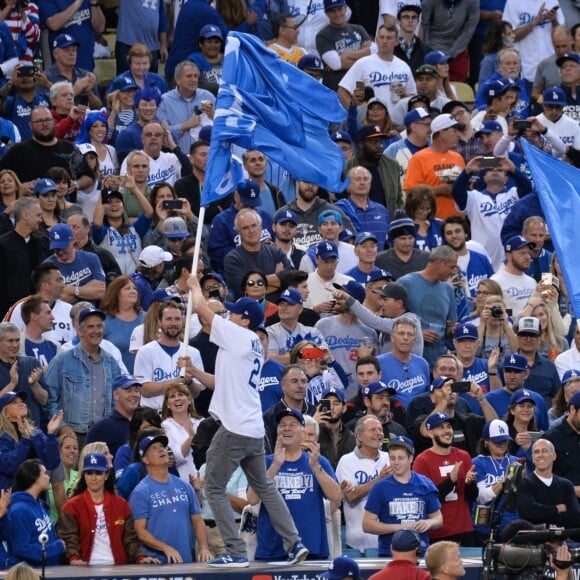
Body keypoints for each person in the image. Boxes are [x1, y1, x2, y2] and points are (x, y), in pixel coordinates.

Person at [187, 274, 310, 567]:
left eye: (233, 312)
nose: (228, 315)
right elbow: (223, 382)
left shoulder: (239, 335)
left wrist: (193, 288)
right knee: (265, 488)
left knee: (212, 487)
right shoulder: (250, 342)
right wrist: (193, 369)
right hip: (252, 428)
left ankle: (235, 551)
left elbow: (204, 311)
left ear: (244, 320)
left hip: (235, 426)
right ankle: (294, 543)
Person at [249, 408, 341, 561]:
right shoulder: (266, 462)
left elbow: (336, 496)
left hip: (311, 547)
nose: (286, 428)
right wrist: (275, 466)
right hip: (273, 549)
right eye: (282, 424)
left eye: (292, 424)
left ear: (303, 433)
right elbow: (252, 499)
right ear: (277, 431)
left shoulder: (318, 461)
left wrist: (315, 468)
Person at [59, 451, 158, 565]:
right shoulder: (71, 507)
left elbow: (130, 540)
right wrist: (74, 558)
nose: (93, 478)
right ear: (84, 475)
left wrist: (140, 557)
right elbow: (69, 539)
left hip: (118, 571)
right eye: (89, 473)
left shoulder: (121, 505)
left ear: (106, 475)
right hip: (85, 571)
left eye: (98, 473)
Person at [128, 432, 212, 564]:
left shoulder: (184, 486)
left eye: (162, 446)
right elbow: (140, 531)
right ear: (145, 459)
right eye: (154, 448)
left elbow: (198, 521)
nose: (161, 449)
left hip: (185, 561)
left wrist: (204, 548)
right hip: (157, 563)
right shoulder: (141, 492)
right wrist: (165, 548)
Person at [45, 307, 122, 448]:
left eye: (99, 326)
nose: (96, 331)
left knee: (100, 470)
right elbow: (49, 399)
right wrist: (62, 427)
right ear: (80, 331)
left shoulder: (111, 363)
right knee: (74, 471)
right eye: (91, 327)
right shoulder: (61, 361)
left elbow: (117, 399)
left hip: (103, 436)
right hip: (73, 437)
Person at [362, 435, 442, 556]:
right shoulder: (381, 487)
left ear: (410, 458)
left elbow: (438, 519)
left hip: (420, 553)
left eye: (401, 458)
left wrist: (428, 523)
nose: (396, 463)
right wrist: (400, 527)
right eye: (392, 458)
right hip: (390, 554)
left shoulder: (425, 484)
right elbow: (367, 525)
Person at [0, 107, 94, 194]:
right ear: (31, 126)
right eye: (39, 121)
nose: (44, 124)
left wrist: (76, 184)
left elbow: (89, 176)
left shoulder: (70, 148)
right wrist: (19, 187)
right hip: (31, 208)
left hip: (66, 208)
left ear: (53, 122)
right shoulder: (18, 151)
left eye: (48, 120)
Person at [133, 301, 205, 411]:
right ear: (159, 322)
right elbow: (145, 390)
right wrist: (177, 382)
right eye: (169, 319)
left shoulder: (193, 352)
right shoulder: (145, 351)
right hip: (154, 415)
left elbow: (196, 393)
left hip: (184, 414)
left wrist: (189, 382)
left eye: (177, 319)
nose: (173, 323)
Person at [336, 415, 391, 555]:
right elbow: (351, 495)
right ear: (359, 436)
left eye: (380, 429)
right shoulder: (346, 461)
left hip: (389, 540)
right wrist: (379, 479)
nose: (378, 433)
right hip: (358, 541)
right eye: (372, 430)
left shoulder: (390, 458)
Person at [398, 245, 458, 369]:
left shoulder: (448, 289)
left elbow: (450, 325)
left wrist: (453, 329)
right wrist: (418, 334)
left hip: (440, 363)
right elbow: (392, 319)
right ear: (441, 263)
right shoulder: (405, 283)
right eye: (451, 267)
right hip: (411, 361)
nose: (453, 272)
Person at [338, 24, 416, 116]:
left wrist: (405, 95)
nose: (384, 41)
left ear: (396, 42)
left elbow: (414, 97)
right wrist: (356, 115)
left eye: (389, 38)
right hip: (372, 122)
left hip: (398, 123)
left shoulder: (403, 67)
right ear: (376, 40)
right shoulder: (363, 63)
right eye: (382, 37)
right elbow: (342, 91)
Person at [403, 113, 466, 220]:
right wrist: (438, 190)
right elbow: (410, 193)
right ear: (442, 133)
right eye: (454, 131)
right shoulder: (419, 158)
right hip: (432, 223)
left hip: (458, 223)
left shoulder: (458, 157)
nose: (458, 135)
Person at [5, 459, 66, 567]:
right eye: (44, 474)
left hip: (48, 570)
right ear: (35, 477)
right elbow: (22, 548)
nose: (48, 477)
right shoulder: (19, 510)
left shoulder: (40, 505)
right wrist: (56, 547)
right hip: (28, 574)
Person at [0, 391, 61, 492]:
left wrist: (51, 435)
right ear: (5, 412)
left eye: (22, 401)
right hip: (11, 498)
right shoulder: (2, 438)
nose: (21, 404)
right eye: (14, 402)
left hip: (37, 497)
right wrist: (24, 440)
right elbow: (11, 467)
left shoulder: (36, 434)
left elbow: (52, 463)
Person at [0, 197, 49, 318]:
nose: (40, 219)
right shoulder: (3, 244)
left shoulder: (42, 243)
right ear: (25, 215)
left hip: (36, 311)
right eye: (38, 215)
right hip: (7, 311)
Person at [472, 419, 520, 541]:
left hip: (512, 525)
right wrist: (504, 481)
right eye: (497, 441)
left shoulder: (517, 462)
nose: (502, 444)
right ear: (486, 442)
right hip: (485, 527)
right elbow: (482, 497)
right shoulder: (478, 462)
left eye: (505, 440)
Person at [516, 438, 580, 528]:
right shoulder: (525, 484)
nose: (540, 455)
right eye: (536, 452)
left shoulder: (566, 485)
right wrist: (557, 509)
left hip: (565, 538)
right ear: (533, 458)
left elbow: (574, 516)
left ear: (554, 456)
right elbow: (529, 512)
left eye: (545, 451)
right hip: (534, 539)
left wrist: (544, 512)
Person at [157, 60, 216, 155]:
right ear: (178, 79)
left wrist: (213, 115)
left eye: (196, 76)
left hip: (206, 157)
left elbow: (222, 126)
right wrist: (184, 126)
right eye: (189, 76)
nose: (193, 79)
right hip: (177, 157)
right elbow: (161, 135)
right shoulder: (164, 101)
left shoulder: (208, 97)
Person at [84, 374, 142, 458]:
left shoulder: (144, 423)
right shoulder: (102, 427)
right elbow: (86, 459)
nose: (134, 394)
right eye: (128, 391)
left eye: (136, 391)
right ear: (116, 395)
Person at [100, 276, 145, 373]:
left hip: (145, 381)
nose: (133, 291)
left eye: (134, 288)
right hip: (116, 380)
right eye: (127, 288)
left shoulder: (146, 318)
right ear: (116, 293)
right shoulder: (103, 320)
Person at [160, 382, 201, 482]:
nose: (177, 398)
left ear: (189, 400)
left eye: (181, 394)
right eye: (172, 396)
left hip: (205, 481)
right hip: (182, 481)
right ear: (167, 404)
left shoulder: (202, 423)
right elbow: (175, 458)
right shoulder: (165, 427)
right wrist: (191, 437)